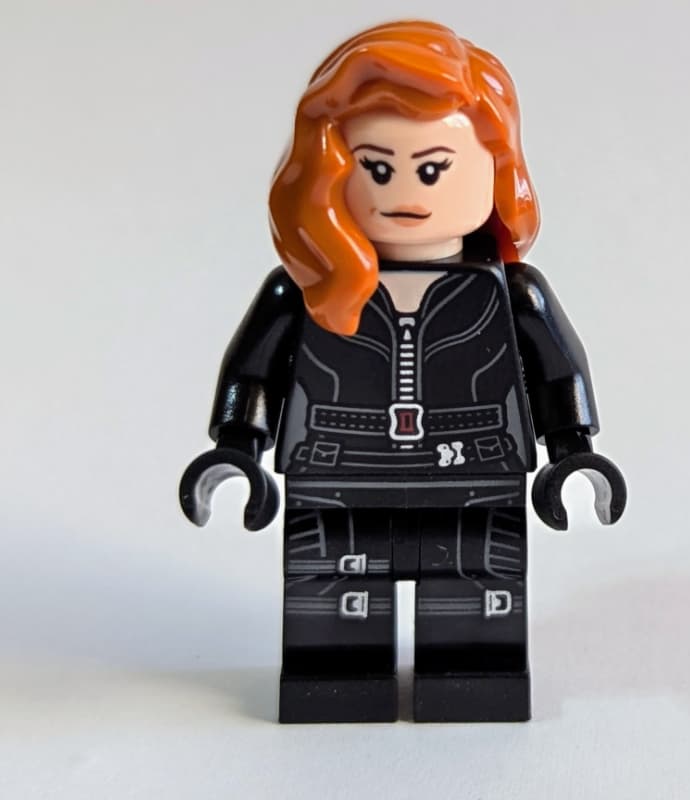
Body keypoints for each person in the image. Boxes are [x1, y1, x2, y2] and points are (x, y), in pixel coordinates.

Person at [180, 20, 626, 724]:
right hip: (338, 474)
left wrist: (573, 452)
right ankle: (337, 676)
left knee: (475, 606)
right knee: (334, 609)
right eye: (378, 169)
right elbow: (254, 373)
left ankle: (474, 674)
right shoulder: (303, 292)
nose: (406, 191)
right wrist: (236, 446)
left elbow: (556, 374)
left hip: (477, 474)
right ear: (329, 172)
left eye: (434, 168)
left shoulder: (512, 294)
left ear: (495, 168)